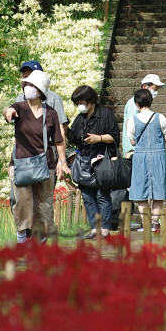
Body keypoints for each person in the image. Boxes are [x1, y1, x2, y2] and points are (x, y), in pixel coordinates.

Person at [9, 69, 69, 243]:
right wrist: (8, 113)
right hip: (22, 163)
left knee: (44, 204)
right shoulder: (19, 107)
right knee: (22, 202)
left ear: (39, 90)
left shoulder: (50, 113)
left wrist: (63, 162)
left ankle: (40, 241)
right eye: (26, 84)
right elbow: (8, 111)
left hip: (45, 164)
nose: (27, 87)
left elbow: (58, 140)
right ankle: (22, 235)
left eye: (30, 85)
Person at [68, 85, 120, 240]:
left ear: (90, 100)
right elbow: (75, 139)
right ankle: (94, 228)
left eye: (81, 101)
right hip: (84, 162)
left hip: (101, 160)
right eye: (77, 103)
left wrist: (99, 138)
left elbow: (114, 137)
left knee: (102, 195)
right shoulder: (80, 118)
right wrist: (65, 129)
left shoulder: (105, 115)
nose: (80, 105)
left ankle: (105, 228)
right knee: (87, 197)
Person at [127, 88, 166, 232]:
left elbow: (133, 142)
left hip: (140, 157)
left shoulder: (133, 120)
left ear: (136, 104)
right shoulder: (160, 118)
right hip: (158, 156)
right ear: (151, 101)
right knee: (159, 191)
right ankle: (155, 223)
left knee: (141, 191)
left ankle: (145, 224)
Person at [3, 59, 68, 147]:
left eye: (30, 75)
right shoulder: (20, 98)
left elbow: (61, 128)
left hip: (47, 148)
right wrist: (7, 111)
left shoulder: (53, 98)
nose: (26, 79)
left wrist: (61, 158)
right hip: (24, 151)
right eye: (24, 75)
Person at [121, 73, 165, 158]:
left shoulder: (146, 106)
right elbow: (129, 126)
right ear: (145, 87)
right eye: (155, 89)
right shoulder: (134, 104)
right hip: (133, 149)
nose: (156, 92)